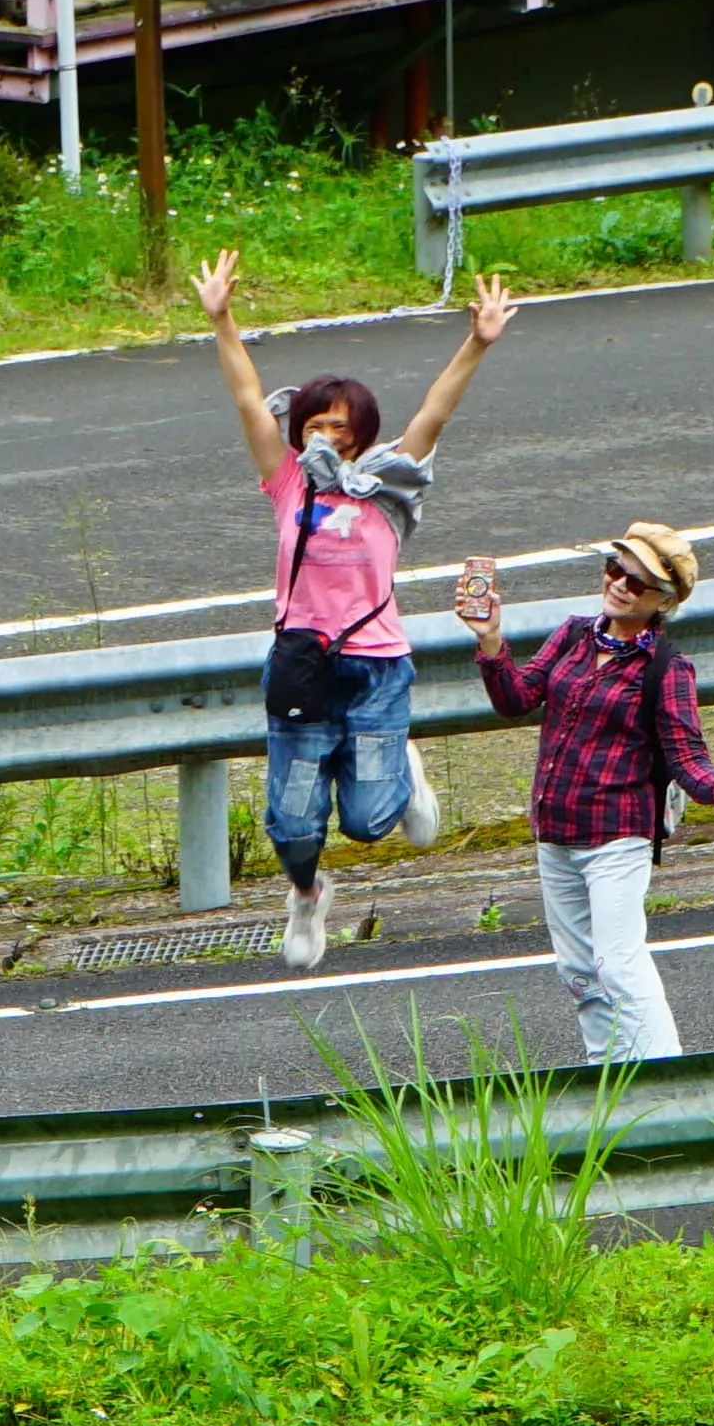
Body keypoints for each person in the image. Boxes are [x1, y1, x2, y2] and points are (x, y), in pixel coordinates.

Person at [195, 245, 509, 968]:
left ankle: (401, 757)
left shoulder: (390, 490)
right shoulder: (287, 486)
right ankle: (307, 897)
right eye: (316, 423)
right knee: (294, 824)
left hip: (375, 671)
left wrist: (477, 342)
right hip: (304, 668)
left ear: (362, 433)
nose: (328, 436)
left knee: (370, 821)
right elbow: (247, 399)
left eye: (342, 426)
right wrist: (223, 320)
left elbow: (436, 409)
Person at [462, 520, 714, 1064]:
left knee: (618, 963)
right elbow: (517, 699)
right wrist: (491, 640)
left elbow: (687, 759)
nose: (618, 585)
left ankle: (666, 1072)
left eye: (635, 582)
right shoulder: (572, 635)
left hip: (617, 839)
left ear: (661, 601)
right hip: (556, 834)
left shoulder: (667, 669)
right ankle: (606, 1076)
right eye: (615, 569)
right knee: (580, 972)